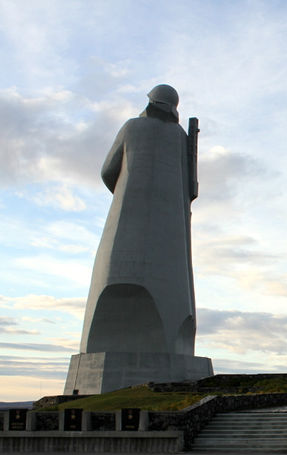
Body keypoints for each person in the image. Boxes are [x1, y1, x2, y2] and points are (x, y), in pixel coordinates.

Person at [78, 84, 198, 357]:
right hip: (171, 231)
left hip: (126, 220)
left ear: (150, 102)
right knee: (175, 300)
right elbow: (188, 188)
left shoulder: (132, 127)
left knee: (112, 282)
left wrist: (126, 189)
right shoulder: (180, 137)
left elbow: (108, 170)